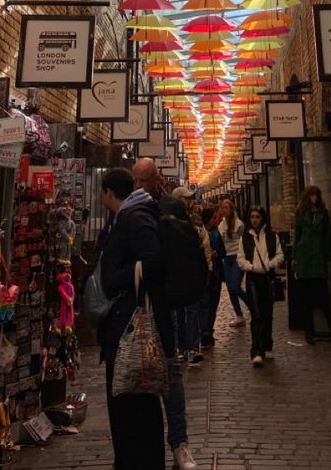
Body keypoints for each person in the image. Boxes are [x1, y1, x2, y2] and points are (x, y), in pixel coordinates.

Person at [97, 168, 167, 470]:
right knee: (132, 400)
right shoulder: (129, 216)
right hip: (123, 324)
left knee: (132, 400)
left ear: (107, 192)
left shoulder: (134, 217)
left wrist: (116, 279)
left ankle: (139, 462)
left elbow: (153, 261)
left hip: (130, 327)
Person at [132, 159, 198, 470]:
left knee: (170, 375)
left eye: (143, 180)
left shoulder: (167, 208)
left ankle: (179, 445)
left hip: (164, 306)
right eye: (136, 180)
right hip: (136, 309)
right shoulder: (132, 210)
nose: (139, 186)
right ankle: (148, 448)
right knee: (139, 378)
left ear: (157, 179)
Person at [237, 206, 284, 367]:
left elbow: (280, 255)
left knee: (267, 313)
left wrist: (271, 264)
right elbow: (240, 259)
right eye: (252, 217)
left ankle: (267, 345)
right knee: (256, 314)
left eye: (257, 217)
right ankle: (256, 350)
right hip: (252, 279)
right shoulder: (245, 238)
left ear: (262, 218)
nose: (254, 219)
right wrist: (251, 267)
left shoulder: (271, 236)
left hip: (267, 278)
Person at [171, 184, 211, 368]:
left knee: (192, 310)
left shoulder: (195, 221)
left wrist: (207, 266)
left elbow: (204, 244)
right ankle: (180, 347)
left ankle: (193, 347)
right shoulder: (169, 221)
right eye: (186, 198)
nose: (190, 201)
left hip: (192, 271)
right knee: (179, 311)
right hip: (177, 272)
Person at [293, 185, 331, 344]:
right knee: (307, 298)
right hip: (305, 257)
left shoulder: (323, 214)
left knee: (323, 296)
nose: (314, 198)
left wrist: (327, 256)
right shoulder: (301, 214)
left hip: (318, 256)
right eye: (312, 195)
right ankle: (309, 333)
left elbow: (326, 236)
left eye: (316, 195)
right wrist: (295, 257)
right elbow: (297, 236)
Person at [218, 198, 249, 326]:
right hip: (227, 258)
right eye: (222, 208)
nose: (224, 210)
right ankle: (239, 315)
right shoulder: (221, 225)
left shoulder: (239, 224)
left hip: (237, 257)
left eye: (226, 207)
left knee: (234, 286)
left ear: (231, 209)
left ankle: (253, 306)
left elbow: (244, 241)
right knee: (231, 289)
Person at [200, 207, 224, 345]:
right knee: (205, 303)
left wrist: (217, 253)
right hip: (205, 273)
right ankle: (204, 332)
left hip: (216, 273)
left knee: (213, 302)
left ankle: (209, 328)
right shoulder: (201, 232)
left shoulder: (216, 233)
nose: (217, 220)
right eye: (214, 217)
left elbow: (223, 251)